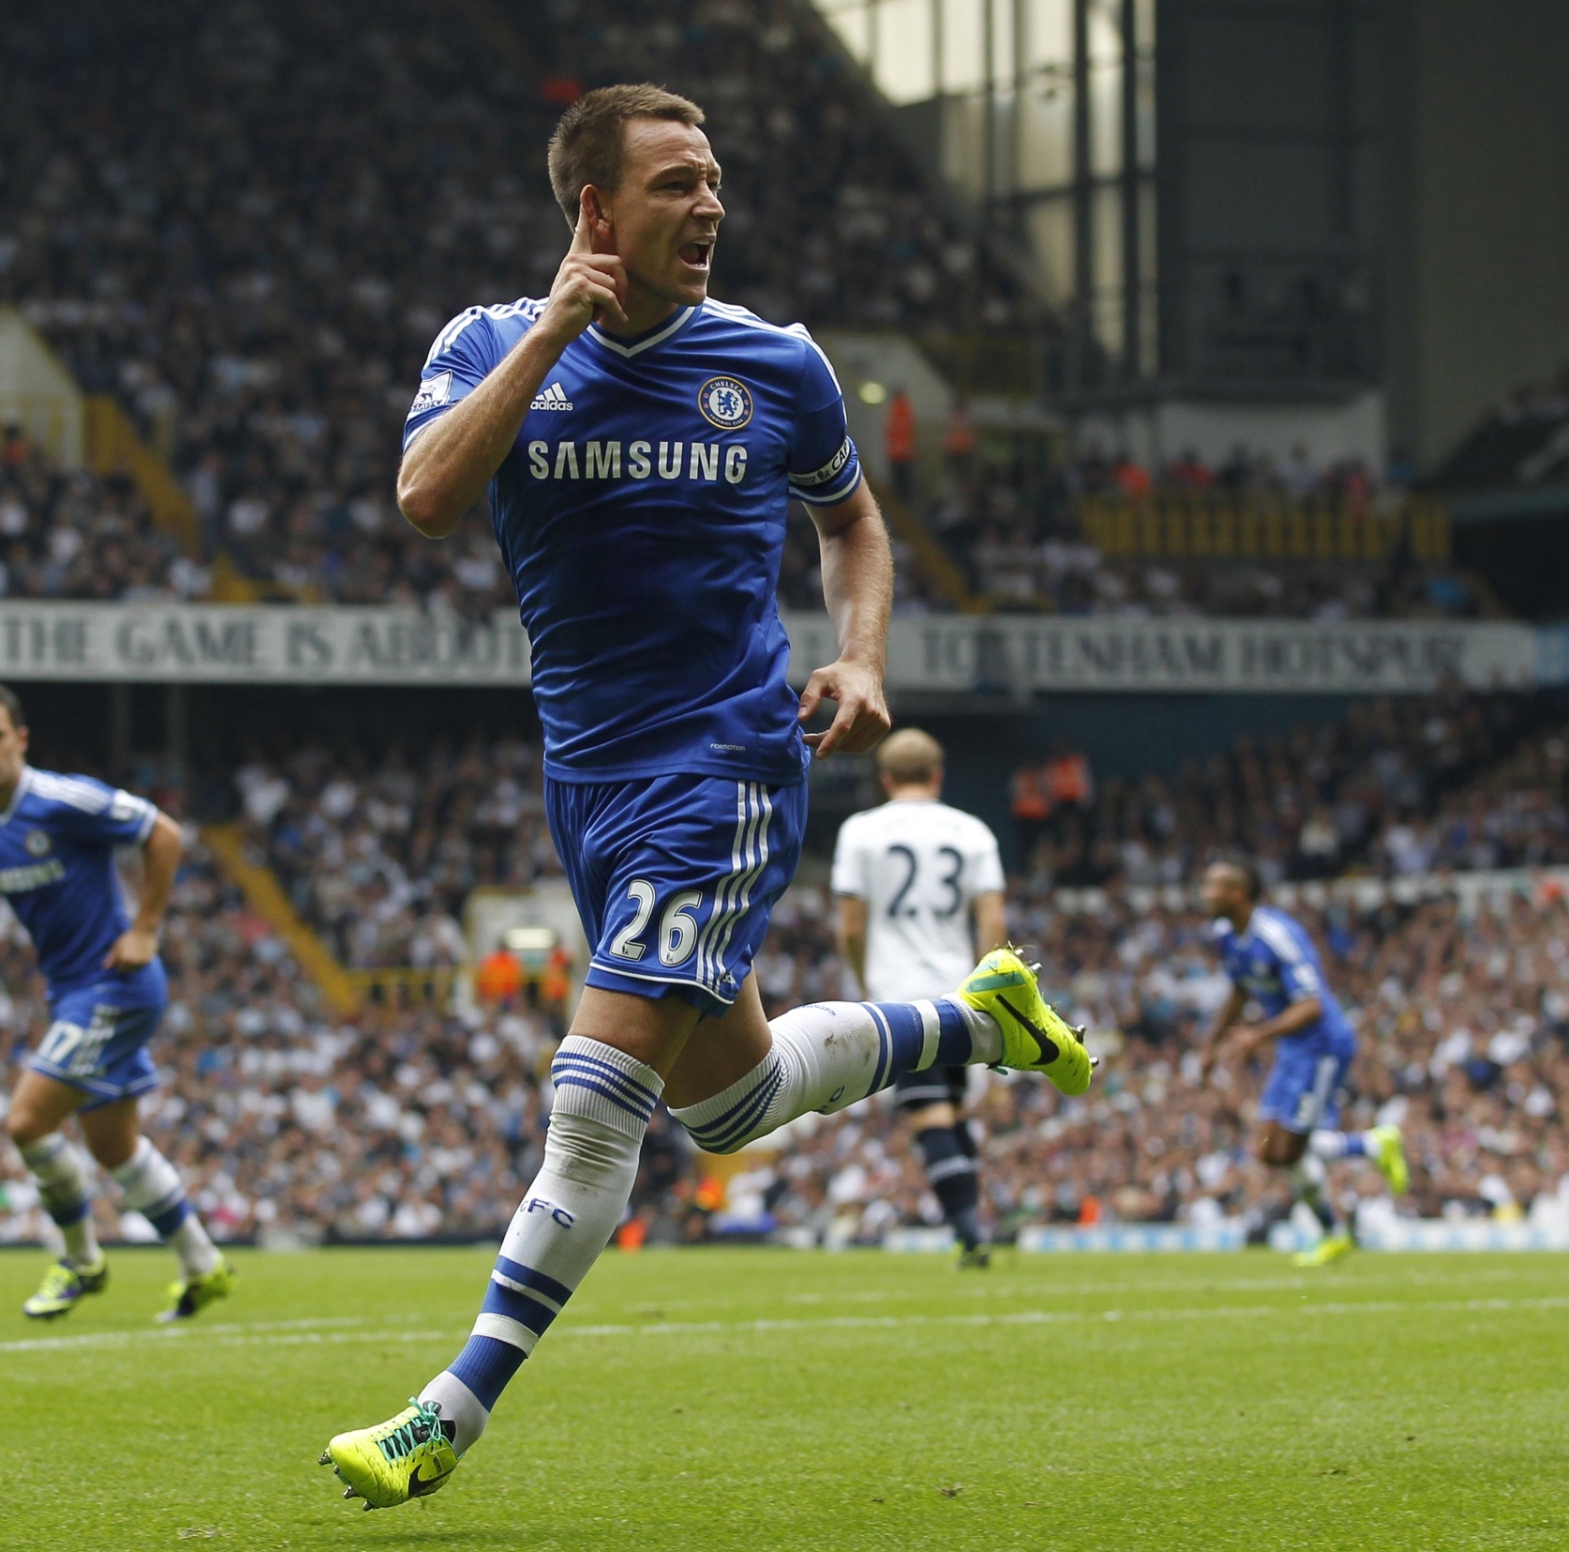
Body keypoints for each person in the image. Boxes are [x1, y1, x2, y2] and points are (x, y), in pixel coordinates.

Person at [319, 82, 1093, 1511]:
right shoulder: (487, 342)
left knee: (593, 1100)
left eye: (715, 179)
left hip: (725, 763)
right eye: (676, 182)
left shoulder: (775, 362)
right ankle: (976, 1022)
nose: (711, 204)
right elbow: (426, 496)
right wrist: (553, 332)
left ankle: (445, 1415)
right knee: (732, 1105)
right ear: (596, 210)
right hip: (586, 778)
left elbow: (851, 520)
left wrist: (861, 655)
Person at [0, 682, 234, 1321]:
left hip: (116, 984)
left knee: (26, 1122)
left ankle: (81, 1261)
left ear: (20, 739)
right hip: (72, 992)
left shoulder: (62, 800)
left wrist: (146, 928)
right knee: (114, 1147)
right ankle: (203, 1264)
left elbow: (163, 833)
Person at [832, 729, 1008, 1267]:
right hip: (960, 994)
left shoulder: (861, 831)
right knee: (952, 1111)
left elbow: (851, 928)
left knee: (930, 1115)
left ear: (885, 778)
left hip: (899, 998)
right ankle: (973, 1228)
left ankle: (970, 1234)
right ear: (938, 775)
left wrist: (865, 982)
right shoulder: (972, 831)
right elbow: (993, 926)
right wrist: (991, 997)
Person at [1197, 860, 1407, 1267]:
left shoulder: (1278, 936)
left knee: (1290, 1148)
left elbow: (1312, 1005)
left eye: (1214, 886)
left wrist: (1257, 1036)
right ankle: (1365, 1159)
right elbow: (1239, 991)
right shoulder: (1226, 935)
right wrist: (1211, 1045)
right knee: (1270, 1152)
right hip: (1292, 1049)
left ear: (1238, 893)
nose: (1206, 894)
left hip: (1323, 1046)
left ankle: (1360, 1176)